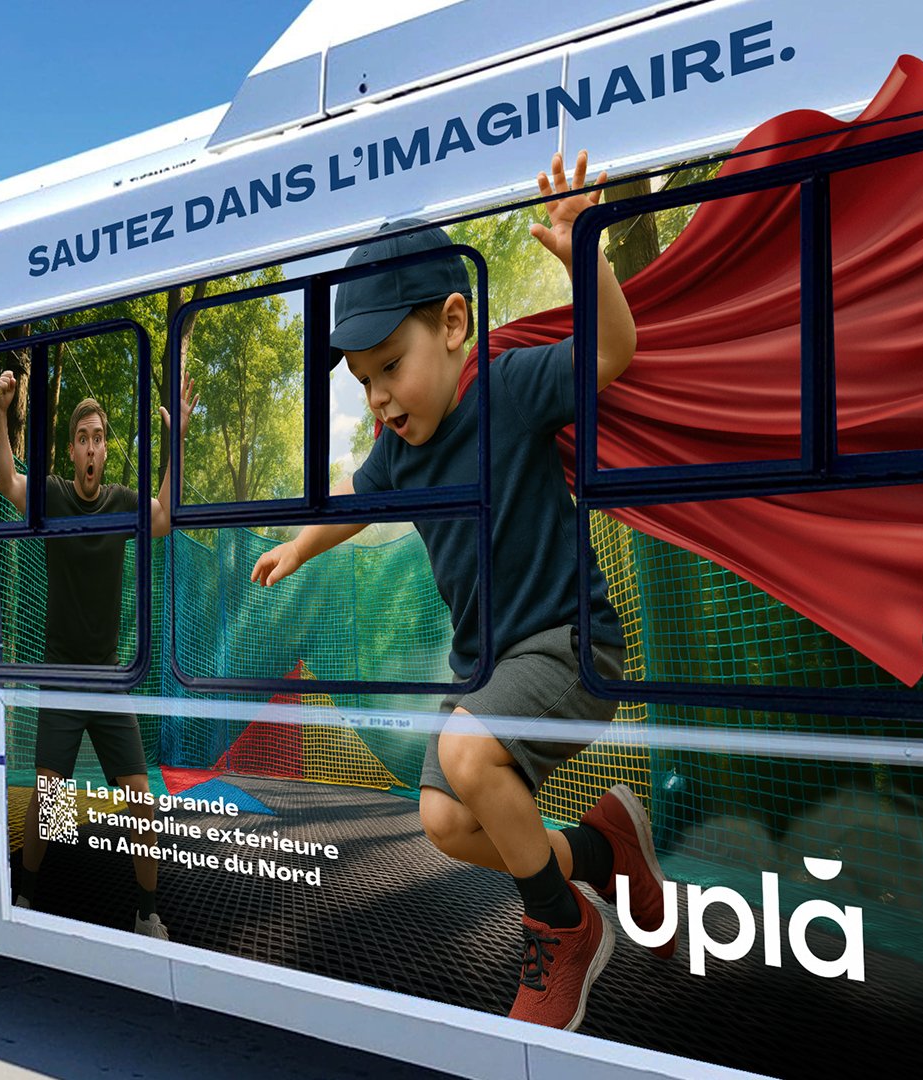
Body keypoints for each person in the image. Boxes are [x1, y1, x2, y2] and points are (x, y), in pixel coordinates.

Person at [249, 151, 672, 1031]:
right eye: (363, 382)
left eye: (388, 367)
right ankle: (602, 845)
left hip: (570, 646)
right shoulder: (401, 447)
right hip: (487, 668)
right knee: (443, 817)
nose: (379, 399)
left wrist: (581, 250)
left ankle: (563, 926)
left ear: (451, 324)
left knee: (473, 760)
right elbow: (360, 504)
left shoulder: (510, 390)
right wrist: (301, 546)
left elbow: (613, 352)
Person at [0, 361, 198, 939]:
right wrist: (2, 412)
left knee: (141, 803)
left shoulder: (118, 500)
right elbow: (11, 483)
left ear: (107, 451)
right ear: (71, 450)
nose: (91, 449)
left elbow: (163, 518)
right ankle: (29, 898)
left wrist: (176, 441)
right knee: (49, 806)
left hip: (110, 682)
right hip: (61, 681)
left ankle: (145, 912)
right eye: (82, 439)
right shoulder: (56, 495)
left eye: (99, 440)